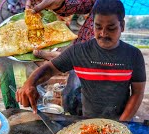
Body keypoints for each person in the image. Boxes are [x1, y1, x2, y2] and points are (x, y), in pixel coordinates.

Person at [16, 0, 146, 121]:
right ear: (92, 24)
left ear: (122, 26)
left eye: (111, 28)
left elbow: (137, 93)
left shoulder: (134, 55)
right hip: (88, 121)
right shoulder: (79, 51)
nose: (103, 33)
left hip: (122, 120)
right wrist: (30, 83)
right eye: (98, 27)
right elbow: (49, 69)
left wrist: (122, 123)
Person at [26, 0, 97, 115]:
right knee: (71, 101)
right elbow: (88, 3)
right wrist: (61, 4)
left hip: (98, 72)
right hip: (79, 62)